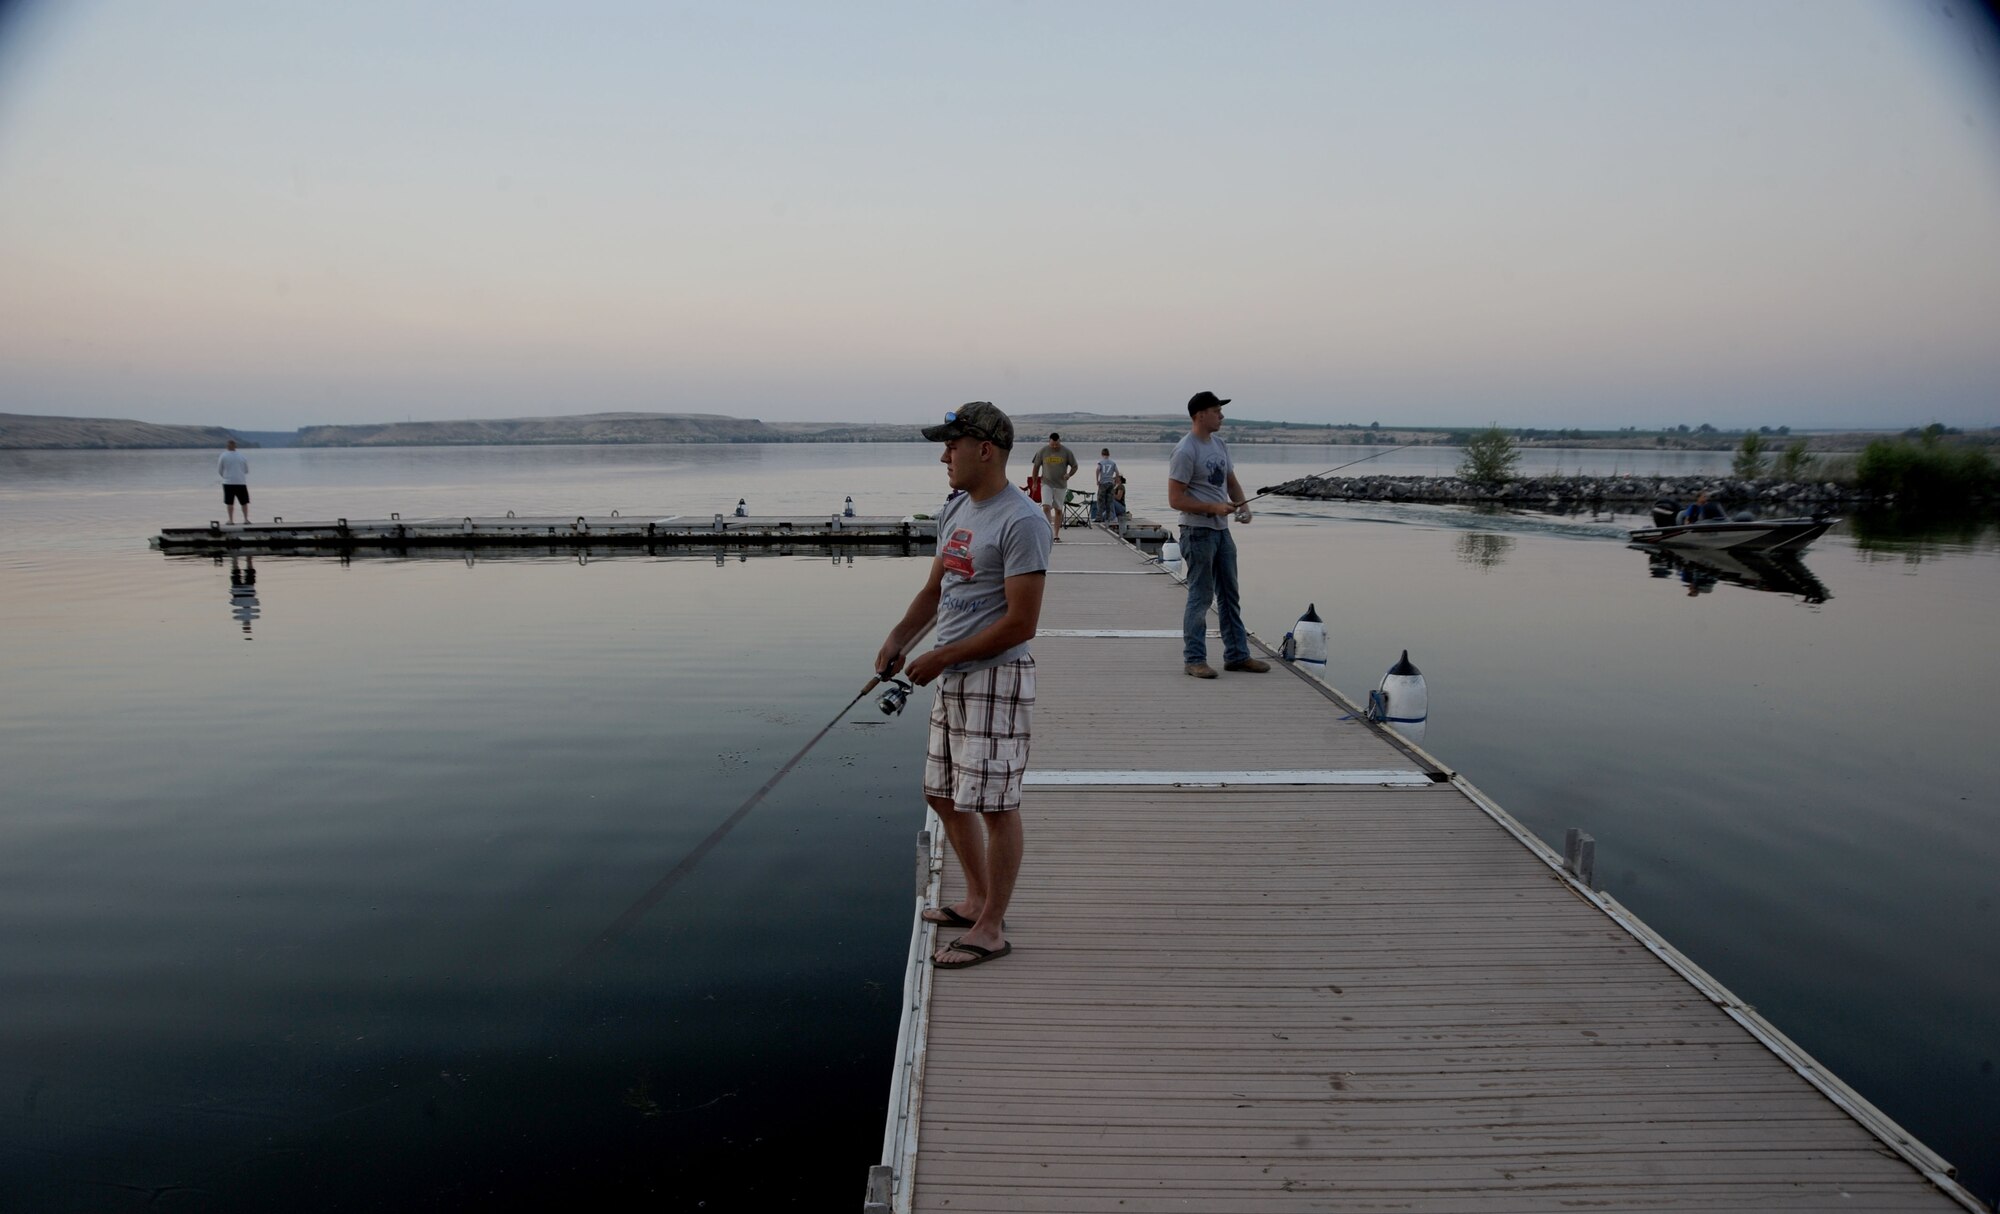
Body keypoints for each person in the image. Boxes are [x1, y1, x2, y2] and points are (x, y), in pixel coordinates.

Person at [877, 401, 1050, 971]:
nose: (944, 454)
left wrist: (942, 655)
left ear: (986, 449)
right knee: (942, 794)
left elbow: (1022, 622)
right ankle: (975, 898)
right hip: (952, 673)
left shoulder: (1021, 521)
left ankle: (993, 927)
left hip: (996, 677)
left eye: (953, 444)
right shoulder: (956, 509)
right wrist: (900, 638)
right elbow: (935, 589)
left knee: (996, 805)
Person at [1167, 390, 1268, 679]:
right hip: (1197, 532)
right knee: (1200, 596)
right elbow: (1175, 499)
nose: (1221, 416)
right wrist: (1213, 507)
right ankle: (1194, 659)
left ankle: (1237, 655)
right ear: (1200, 415)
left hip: (1222, 533)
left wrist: (1243, 506)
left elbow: (1231, 481)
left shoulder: (1220, 444)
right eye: (1216, 411)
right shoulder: (1186, 450)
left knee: (1230, 594)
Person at [1035, 432, 1078, 542]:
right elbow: (1036, 467)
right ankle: (1047, 531)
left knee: (1058, 510)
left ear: (1059, 441)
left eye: (1056, 444)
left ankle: (1056, 535)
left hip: (1060, 484)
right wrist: (1035, 483)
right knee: (1046, 506)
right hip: (1046, 483)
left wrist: (1069, 474)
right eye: (1052, 444)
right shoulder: (1042, 451)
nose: (1054, 446)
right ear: (1049, 441)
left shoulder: (1066, 452)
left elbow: (1075, 466)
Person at [218, 439, 251, 525]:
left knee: (229, 502)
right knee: (244, 502)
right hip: (241, 482)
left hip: (228, 482)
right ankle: (246, 519)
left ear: (227, 446)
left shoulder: (223, 456)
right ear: (236, 446)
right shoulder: (242, 456)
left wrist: (225, 476)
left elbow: (220, 469)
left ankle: (231, 520)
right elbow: (246, 470)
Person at [1093, 448, 1119, 522]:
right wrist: (1116, 481)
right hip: (1110, 483)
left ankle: (1099, 518)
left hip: (1103, 483)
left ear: (1102, 454)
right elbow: (1117, 472)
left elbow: (1097, 469)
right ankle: (1109, 517)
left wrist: (1097, 480)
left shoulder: (1101, 462)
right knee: (1109, 501)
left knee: (1100, 501)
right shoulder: (1113, 463)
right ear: (1109, 454)